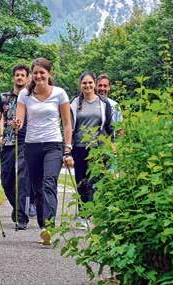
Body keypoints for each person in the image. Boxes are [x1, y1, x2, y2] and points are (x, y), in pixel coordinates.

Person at [15, 58, 74, 245]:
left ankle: (49, 226)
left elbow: (67, 123)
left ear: (50, 74)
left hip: (53, 144)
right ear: (32, 75)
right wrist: (16, 124)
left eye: (43, 72)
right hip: (32, 145)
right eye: (36, 72)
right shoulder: (24, 94)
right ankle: (43, 225)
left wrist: (68, 148)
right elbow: (20, 118)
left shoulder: (60, 93)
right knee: (37, 187)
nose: (39, 76)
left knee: (49, 182)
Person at [0, 64, 32, 230]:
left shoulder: (31, 97)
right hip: (8, 142)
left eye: (23, 75)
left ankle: (22, 217)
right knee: (6, 179)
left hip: (26, 142)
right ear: (13, 77)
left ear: (28, 78)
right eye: (17, 75)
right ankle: (17, 206)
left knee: (22, 178)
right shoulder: (3, 97)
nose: (20, 78)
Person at [70, 72, 113, 228]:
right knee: (81, 180)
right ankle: (82, 214)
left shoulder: (103, 103)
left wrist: (110, 145)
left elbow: (109, 127)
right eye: (84, 83)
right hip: (79, 147)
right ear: (80, 85)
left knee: (95, 181)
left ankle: (91, 213)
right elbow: (68, 127)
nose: (87, 86)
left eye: (90, 83)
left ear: (94, 84)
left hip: (97, 148)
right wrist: (66, 149)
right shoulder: (74, 103)